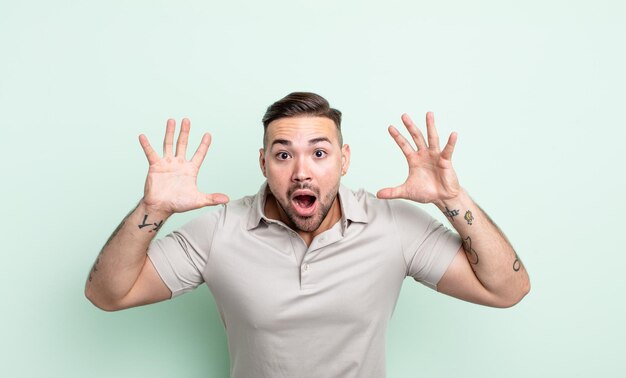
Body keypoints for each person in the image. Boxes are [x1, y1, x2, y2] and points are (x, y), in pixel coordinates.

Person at [85, 92, 530, 377]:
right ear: (263, 164)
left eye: (319, 153)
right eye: (283, 155)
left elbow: (507, 289)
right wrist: (153, 209)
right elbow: (108, 294)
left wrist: (452, 199)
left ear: (344, 160)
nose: (302, 172)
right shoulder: (218, 231)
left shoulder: (392, 225)